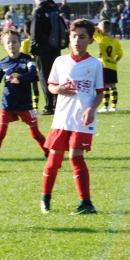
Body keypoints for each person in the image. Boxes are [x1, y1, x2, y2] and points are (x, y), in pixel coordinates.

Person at [41, 19, 104, 215]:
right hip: (62, 119)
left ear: (91, 40)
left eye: (82, 37)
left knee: (75, 157)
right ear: (69, 37)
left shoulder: (95, 64)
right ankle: (45, 198)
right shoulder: (60, 61)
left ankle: (86, 203)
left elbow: (100, 92)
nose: (77, 41)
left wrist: (91, 109)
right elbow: (51, 85)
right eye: (74, 36)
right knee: (54, 159)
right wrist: (58, 89)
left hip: (82, 120)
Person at [0, 29, 47, 173]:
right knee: (0, 134)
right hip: (7, 104)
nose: (11, 45)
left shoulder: (26, 60)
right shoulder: (3, 63)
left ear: (20, 43)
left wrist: (20, 79)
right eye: (8, 42)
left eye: (14, 42)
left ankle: (49, 155)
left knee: (35, 133)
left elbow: (33, 73)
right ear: (4, 45)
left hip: (25, 104)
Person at [29, 0, 66, 115]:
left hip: (43, 49)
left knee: (45, 77)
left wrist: (32, 49)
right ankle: (58, 104)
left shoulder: (38, 11)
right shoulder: (53, 8)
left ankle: (49, 106)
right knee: (56, 76)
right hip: (55, 47)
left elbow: (35, 33)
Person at [94, 20, 123, 112]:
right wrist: (115, 61)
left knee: (105, 86)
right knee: (113, 85)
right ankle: (114, 106)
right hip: (113, 66)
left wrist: (96, 28)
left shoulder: (102, 39)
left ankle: (105, 107)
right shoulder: (116, 42)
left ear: (102, 30)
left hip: (104, 65)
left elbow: (93, 33)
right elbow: (120, 54)